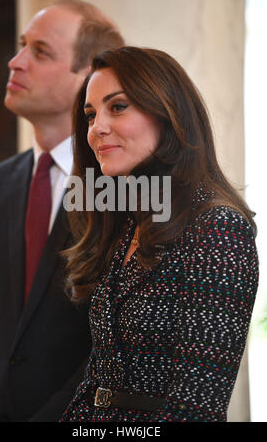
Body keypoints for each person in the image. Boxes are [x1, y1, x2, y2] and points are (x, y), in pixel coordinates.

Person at [60, 46, 259, 422]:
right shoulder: (130, 221)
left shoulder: (217, 227)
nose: (97, 128)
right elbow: (98, 382)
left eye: (117, 107)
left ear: (168, 114)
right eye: (90, 114)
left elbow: (196, 407)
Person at [0, 0, 124, 422]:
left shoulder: (124, 189)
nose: (15, 62)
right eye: (21, 46)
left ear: (89, 77)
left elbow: (117, 346)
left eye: (40, 52)